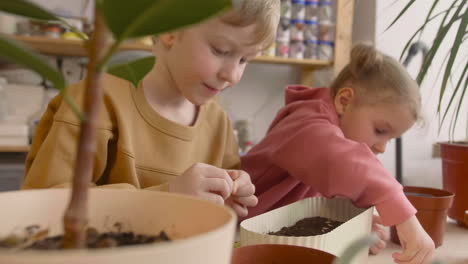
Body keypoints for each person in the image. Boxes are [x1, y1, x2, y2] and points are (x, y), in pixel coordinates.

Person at [22, 0, 280, 218]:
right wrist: (169, 197)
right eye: (220, 50)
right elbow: (44, 209)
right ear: (170, 30)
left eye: (245, 59)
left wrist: (227, 199)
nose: (233, 75)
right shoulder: (94, 102)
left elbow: (207, 219)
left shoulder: (219, 123)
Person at [241, 44, 435, 263]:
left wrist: (352, 226)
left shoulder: (330, 130)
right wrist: (403, 214)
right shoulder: (305, 123)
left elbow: (322, 192)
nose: (382, 147)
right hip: (239, 236)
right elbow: (340, 160)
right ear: (344, 101)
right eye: (380, 131)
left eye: (390, 139)